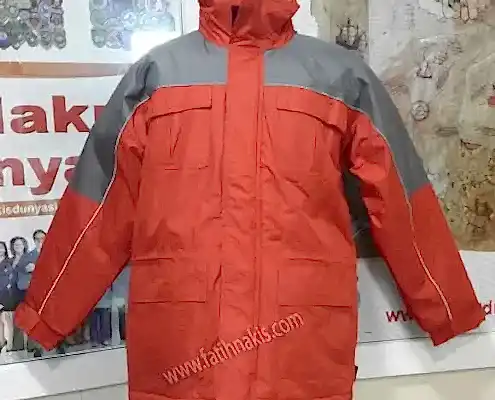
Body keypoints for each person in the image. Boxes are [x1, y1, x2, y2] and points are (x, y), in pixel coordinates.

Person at [15, 1, 485, 399]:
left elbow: (400, 196)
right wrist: (48, 311)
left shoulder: (340, 77)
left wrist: (445, 303)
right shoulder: (158, 74)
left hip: (296, 344)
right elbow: (99, 202)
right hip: (184, 342)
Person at [0, 241, 17, 353]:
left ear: (5, 249)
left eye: (1, 247)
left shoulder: (10, 262)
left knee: (8, 321)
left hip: (6, 295)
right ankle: (1, 342)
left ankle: (10, 345)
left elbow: (11, 279)